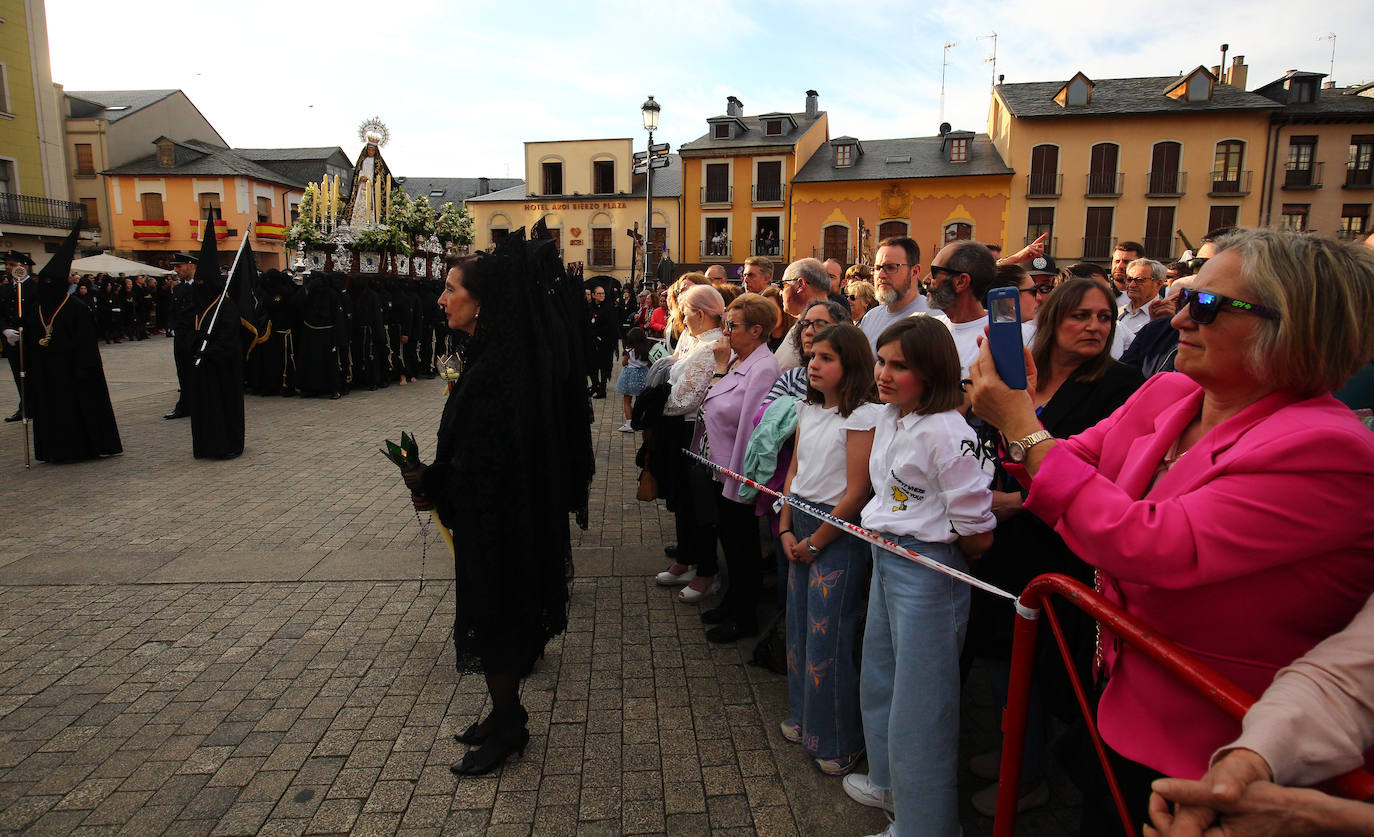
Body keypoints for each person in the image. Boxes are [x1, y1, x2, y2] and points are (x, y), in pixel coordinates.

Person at [968, 228, 1374, 834]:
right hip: (1118, 701)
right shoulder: (1173, 390)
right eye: (1186, 296)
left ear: (1289, 326)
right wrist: (1022, 411)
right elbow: (1071, 459)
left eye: (1206, 305)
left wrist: (1025, 428)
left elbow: (1148, 545)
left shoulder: (1328, 448)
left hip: (1220, 749)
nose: (1178, 317)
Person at [403, 234, 592, 777]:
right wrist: (432, 476)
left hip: (501, 521)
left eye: (450, 289)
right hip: (500, 514)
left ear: (481, 301)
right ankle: (501, 714)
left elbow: (487, 461)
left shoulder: (500, 369)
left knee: (498, 620)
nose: (441, 300)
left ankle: (509, 727)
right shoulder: (493, 353)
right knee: (498, 617)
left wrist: (435, 481)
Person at [965, 277, 1144, 816]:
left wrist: (1015, 503)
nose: (1094, 326)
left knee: (1046, 665)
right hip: (1004, 545)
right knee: (1002, 656)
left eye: (1105, 317)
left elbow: (1103, 473)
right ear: (1051, 320)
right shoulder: (1019, 371)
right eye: (1080, 315)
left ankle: (1031, 774)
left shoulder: (1122, 384)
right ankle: (1015, 752)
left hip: (1060, 548)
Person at [842, 316, 995, 837]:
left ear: (931, 372)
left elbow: (976, 527)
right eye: (882, 361)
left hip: (927, 571)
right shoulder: (892, 415)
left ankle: (926, 826)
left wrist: (945, 557)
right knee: (881, 676)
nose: (884, 374)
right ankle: (888, 782)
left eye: (900, 366)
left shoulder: (946, 431)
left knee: (922, 703)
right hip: (886, 556)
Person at [777, 323, 880, 777]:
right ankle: (806, 717)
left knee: (829, 637)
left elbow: (857, 493)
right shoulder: (808, 409)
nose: (814, 364)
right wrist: (783, 526)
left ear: (851, 365)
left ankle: (839, 737)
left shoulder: (862, 417)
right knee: (800, 627)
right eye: (812, 356)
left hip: (834, 532)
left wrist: (816, 541)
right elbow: (795, 471)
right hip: (798, 523)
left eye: (827, 358)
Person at [697, 293, 781, 642]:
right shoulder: (738, 358)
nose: (725, 331)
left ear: (757, 330)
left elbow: (750, 428)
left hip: (737, 472)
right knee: (730, 542)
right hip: (720, 466)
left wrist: (737, 480)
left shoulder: (762, 367)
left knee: (742, 546)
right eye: (725, 324)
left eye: (732, 325)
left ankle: (743, 616)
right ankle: (732, 602)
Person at [20, 223, 122, 463]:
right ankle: (52, 449)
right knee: (51, 410)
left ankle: (81, 447)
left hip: (71, 369)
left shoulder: (76, 308)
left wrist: (81, 367)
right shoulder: (36, 309)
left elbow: (86, 342)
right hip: (47, 370)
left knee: (74, 410)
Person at [656, 284, 728, 602]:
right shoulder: (697, 339)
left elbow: (683, 398)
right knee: (682, 500)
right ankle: (687, 558)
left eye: (685, 311)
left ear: (700, 314)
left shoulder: (712, 346)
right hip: (679, 431)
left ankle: (706, 570)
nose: (681, 317)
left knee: (698, 504)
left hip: (694, 433)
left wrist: (655, 398)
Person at [187, 228, 244, 460]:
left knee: (222, 407)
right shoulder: (197, 304)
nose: (199, 286)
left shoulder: (225, 306)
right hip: (202, 367)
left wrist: (212, 349)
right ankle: (204, 445)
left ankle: (225, 444)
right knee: (204, 408)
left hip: (222, 367)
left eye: (203, 282)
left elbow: (230, 336)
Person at [926, 240, 997, 377]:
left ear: (961, 281)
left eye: (934, 272)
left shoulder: (996, 340)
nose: (926, 279)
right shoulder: (929, 328)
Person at [857, 236, 928, 355]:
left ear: (914, 272)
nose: (880, 275)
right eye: (877, 268)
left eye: (890, 267)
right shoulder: (870, 318)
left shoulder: (936, 319)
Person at [778, 259, 833, 370]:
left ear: (800, 285)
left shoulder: (821, 328)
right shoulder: (806, 323)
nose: (780, 292)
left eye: (783, 285)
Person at [1, 249, 35, 422]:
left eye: (12, 265)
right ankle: (25, 406)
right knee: (17, 373)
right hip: (11, 339)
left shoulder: (34, 288)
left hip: (30, 339)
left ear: (24, 267)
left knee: (33, 373)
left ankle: (37, 405)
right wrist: (5, 330)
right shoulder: (5, 289)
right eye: (7, 265)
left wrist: (26, 329)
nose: (9, 268)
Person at [165, 253, 197, 419]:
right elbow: (173, 310)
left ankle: (198, 404)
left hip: (196, 336)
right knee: (182, 371)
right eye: (175, 267)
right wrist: (171, 327)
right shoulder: (178, 288)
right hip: (181, 337)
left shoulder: (201, 287)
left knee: (196, 372)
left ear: (190, 265)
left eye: (179, 266)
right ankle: (184, 406)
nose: (176, 270)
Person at [1119, 258, 1167, 349]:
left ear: (1158, 283)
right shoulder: (1118, 312)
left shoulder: (1165, 317)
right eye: (1129, 279)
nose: (1132, 285)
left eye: (1140, 280)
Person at [616, 327, 651, 432]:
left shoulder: (629, 350)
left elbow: (623, 363)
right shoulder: (646, 350)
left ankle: (629, 423)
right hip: (643, 376)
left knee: (627, 400)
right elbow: (649, 363)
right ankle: (639, 422)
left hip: (630, 377)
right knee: (640, 401)